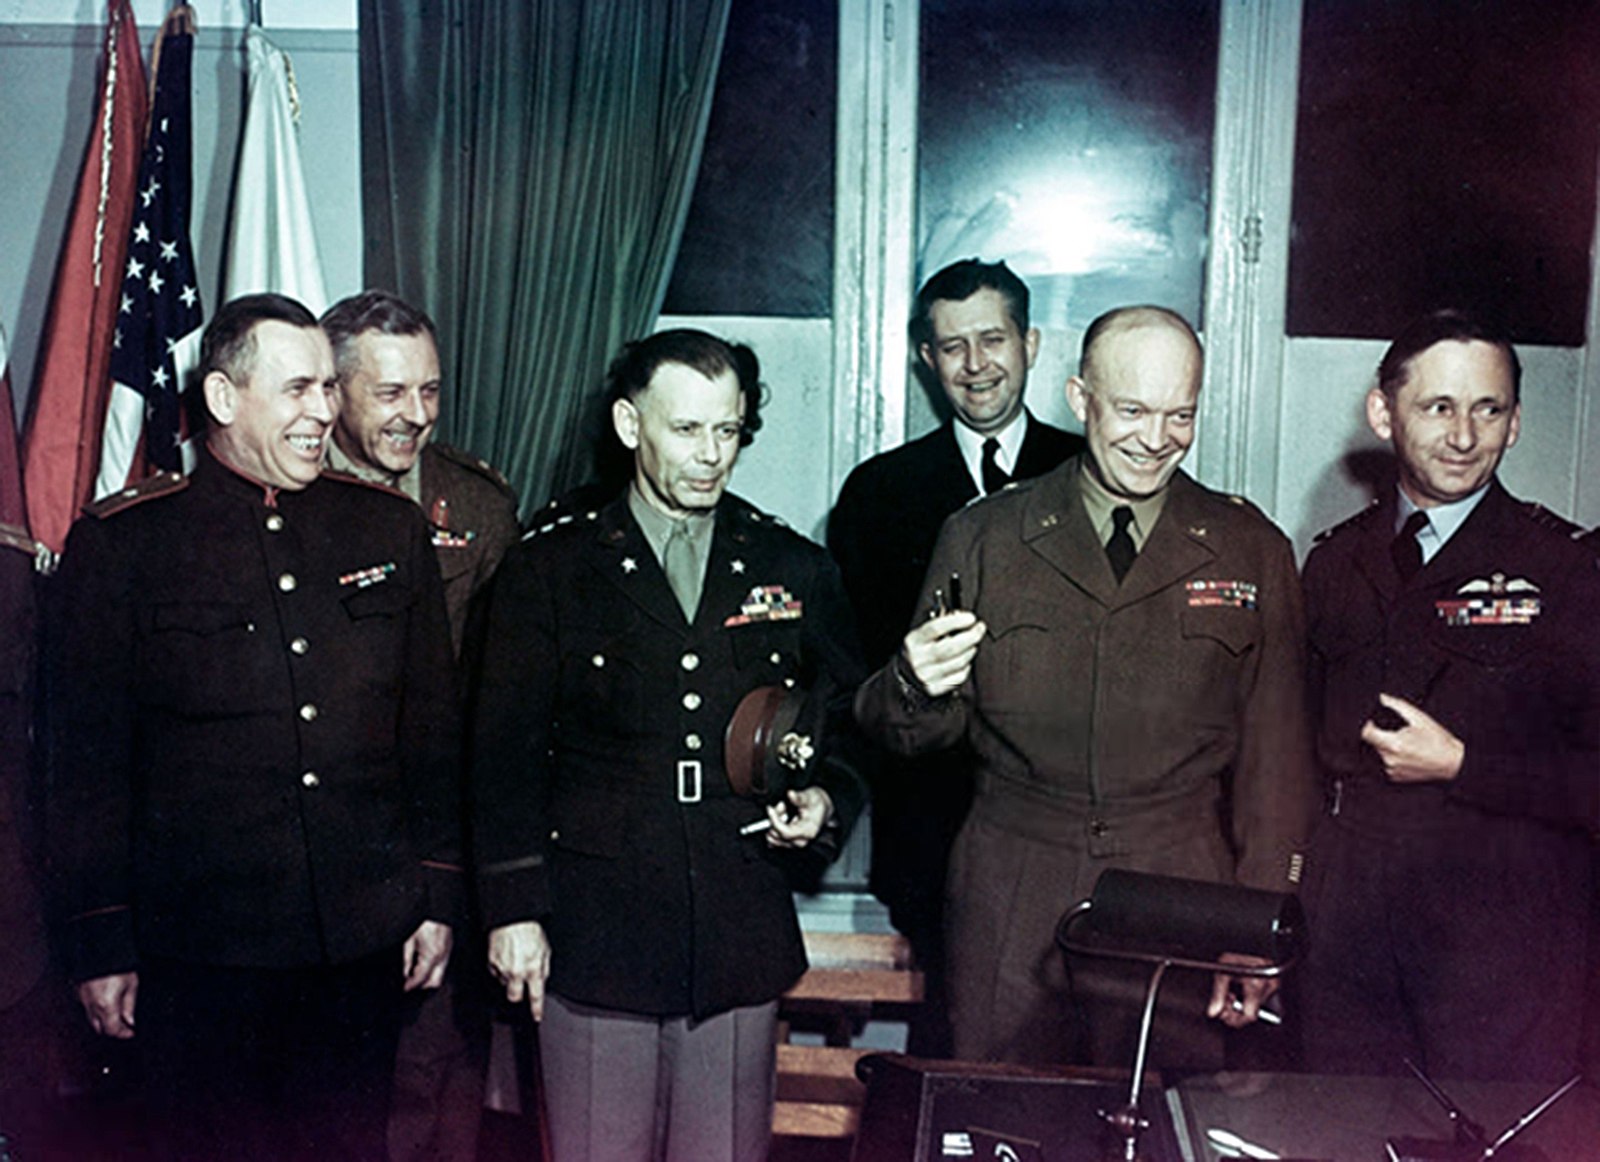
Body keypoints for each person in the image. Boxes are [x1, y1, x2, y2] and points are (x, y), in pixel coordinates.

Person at [46, 293, 463, 1161]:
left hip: (357, 943)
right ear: (225, 400)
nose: (325, 411)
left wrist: (435, 892)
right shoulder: (125, 546)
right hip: (198, 953)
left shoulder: (383, 527)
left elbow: (428, 732)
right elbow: (83, 765)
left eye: (327, 388)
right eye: (299, 389)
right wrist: (98, 940)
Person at [855, 305, 1316, 1068]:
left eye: (1181, 415)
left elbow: (1279, 761)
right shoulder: (985, 536)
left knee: (1161, 1124)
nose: (1155, 438)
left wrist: (1258, 925)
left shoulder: (1250, 548)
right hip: (1013, 881)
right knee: (1001, 1121)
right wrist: (912, 681)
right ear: (1079, 398)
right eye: (1132, 410)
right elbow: (911, 732)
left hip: (1181, 885)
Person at [471, 329, 867, 1162]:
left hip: (734, 924)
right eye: (687, 430)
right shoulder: (552, 569)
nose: (711, 455)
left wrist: (825, 795)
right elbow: (499, 754)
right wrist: (514, 910)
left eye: (727, 430)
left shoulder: (790, 565)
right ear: (628, 425)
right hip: (594, 929)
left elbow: (849, 722)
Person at [1299, 310, 1600, 1082]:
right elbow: (1300, 753)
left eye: (1488, 409)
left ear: (1517, 422)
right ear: (1383, 413)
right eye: (1439, 407)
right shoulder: (1335, 564)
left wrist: (1467, 765)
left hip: (1499, 954)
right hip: (1348, 945)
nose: (1464, 435)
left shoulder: (1565, 571)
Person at [828, 258, 1082, 1053]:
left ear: (1031, 343)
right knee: (954, 1048)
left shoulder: (1090, 474)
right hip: (932, 837)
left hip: (1063, 826)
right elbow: (858, 676)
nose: (975, 366)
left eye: (993, 339)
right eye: (952, 347)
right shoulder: (878, 493)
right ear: (924, 361)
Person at [322, 289, 519, 1162]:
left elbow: (501, 694)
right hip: (321, 841)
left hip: (438, 835)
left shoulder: (475, 507)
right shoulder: (292, 493)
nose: (417, 417)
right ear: (333, 391)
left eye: (430, 392)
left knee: (436, 1072)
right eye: (391, 394)